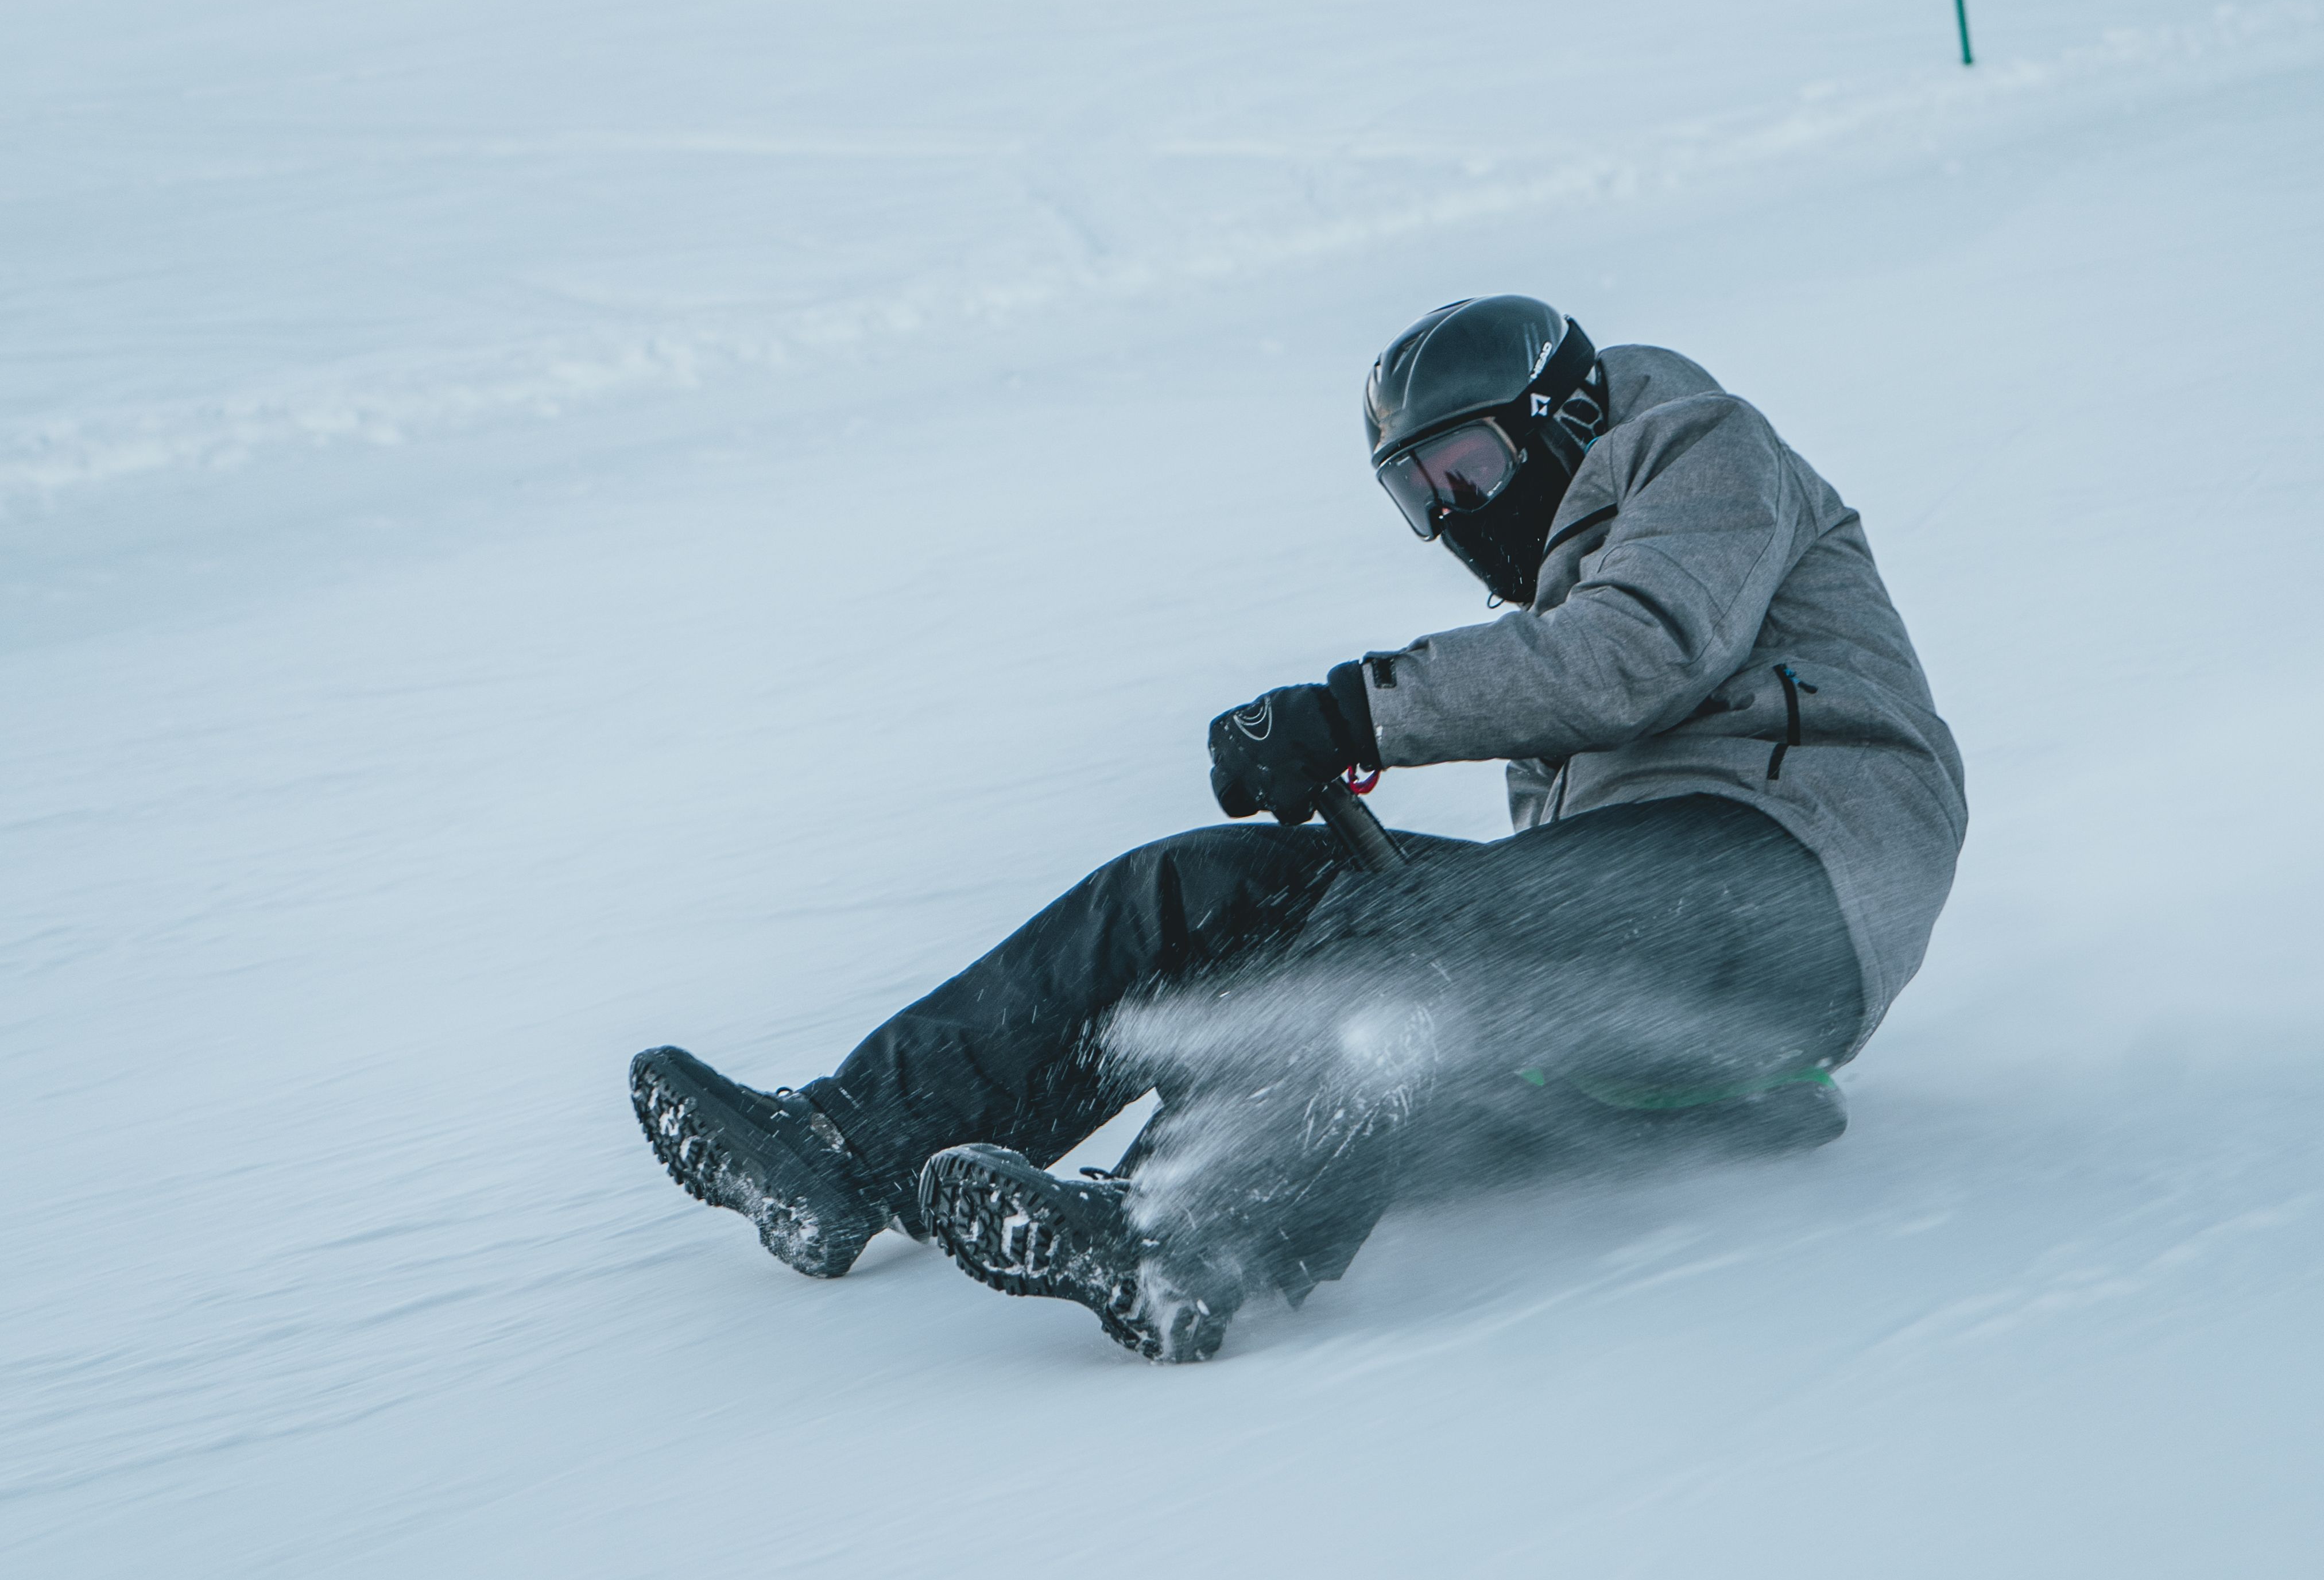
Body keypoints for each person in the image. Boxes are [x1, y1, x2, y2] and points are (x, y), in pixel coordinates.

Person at [630, 296, 1965, 1362]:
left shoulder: (1703, 448)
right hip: (1655, 957)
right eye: (1415, 494)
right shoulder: (1559, 607)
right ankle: (847, 1153)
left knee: (1415, 933)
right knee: (1193, 894)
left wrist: (1353, 713)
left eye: (1464, 469)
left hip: (1801, 877)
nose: (1449, 516)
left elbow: (1638, 656)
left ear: (1558, 421)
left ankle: (1185, 1234)